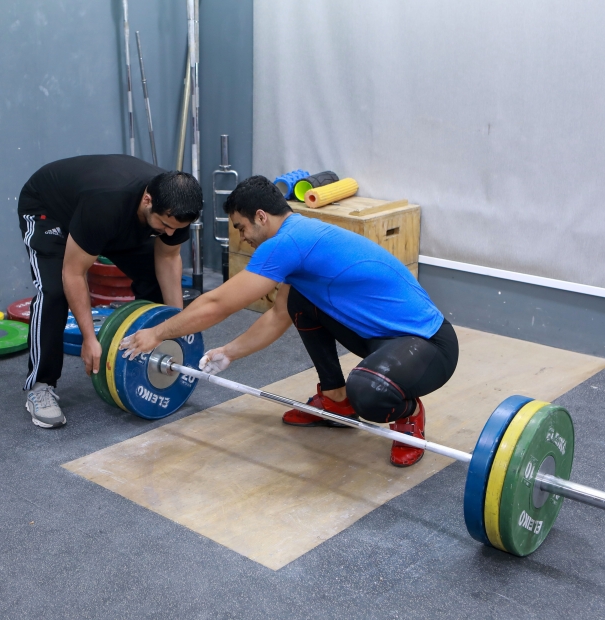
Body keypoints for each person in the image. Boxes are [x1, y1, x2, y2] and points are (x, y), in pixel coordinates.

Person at [120, 175, 458, 466]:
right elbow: (279, 315)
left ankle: (408, 413)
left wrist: (158, 333)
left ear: (262, 217)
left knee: (368, 392)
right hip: (379, 337)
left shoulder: (286, 243)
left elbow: (219, 304)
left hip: (428, 344)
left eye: (241, 227)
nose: (242, 237)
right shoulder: (300, 236)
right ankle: (335, 399)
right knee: (299, 301)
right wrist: (230, 352)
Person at [17, 154, 203, 429]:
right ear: (148, 200)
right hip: (50, 210)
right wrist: (89, 338)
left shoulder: (176, 207)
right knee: (54, 291)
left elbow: (167, 260)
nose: (168, 232)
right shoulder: (105, 202)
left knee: (153, 276)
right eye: (164, 225)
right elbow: (74, 273)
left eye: (175, 229)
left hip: (111, 220)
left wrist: (173, 325)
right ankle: (41, 386)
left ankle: (144, 353)